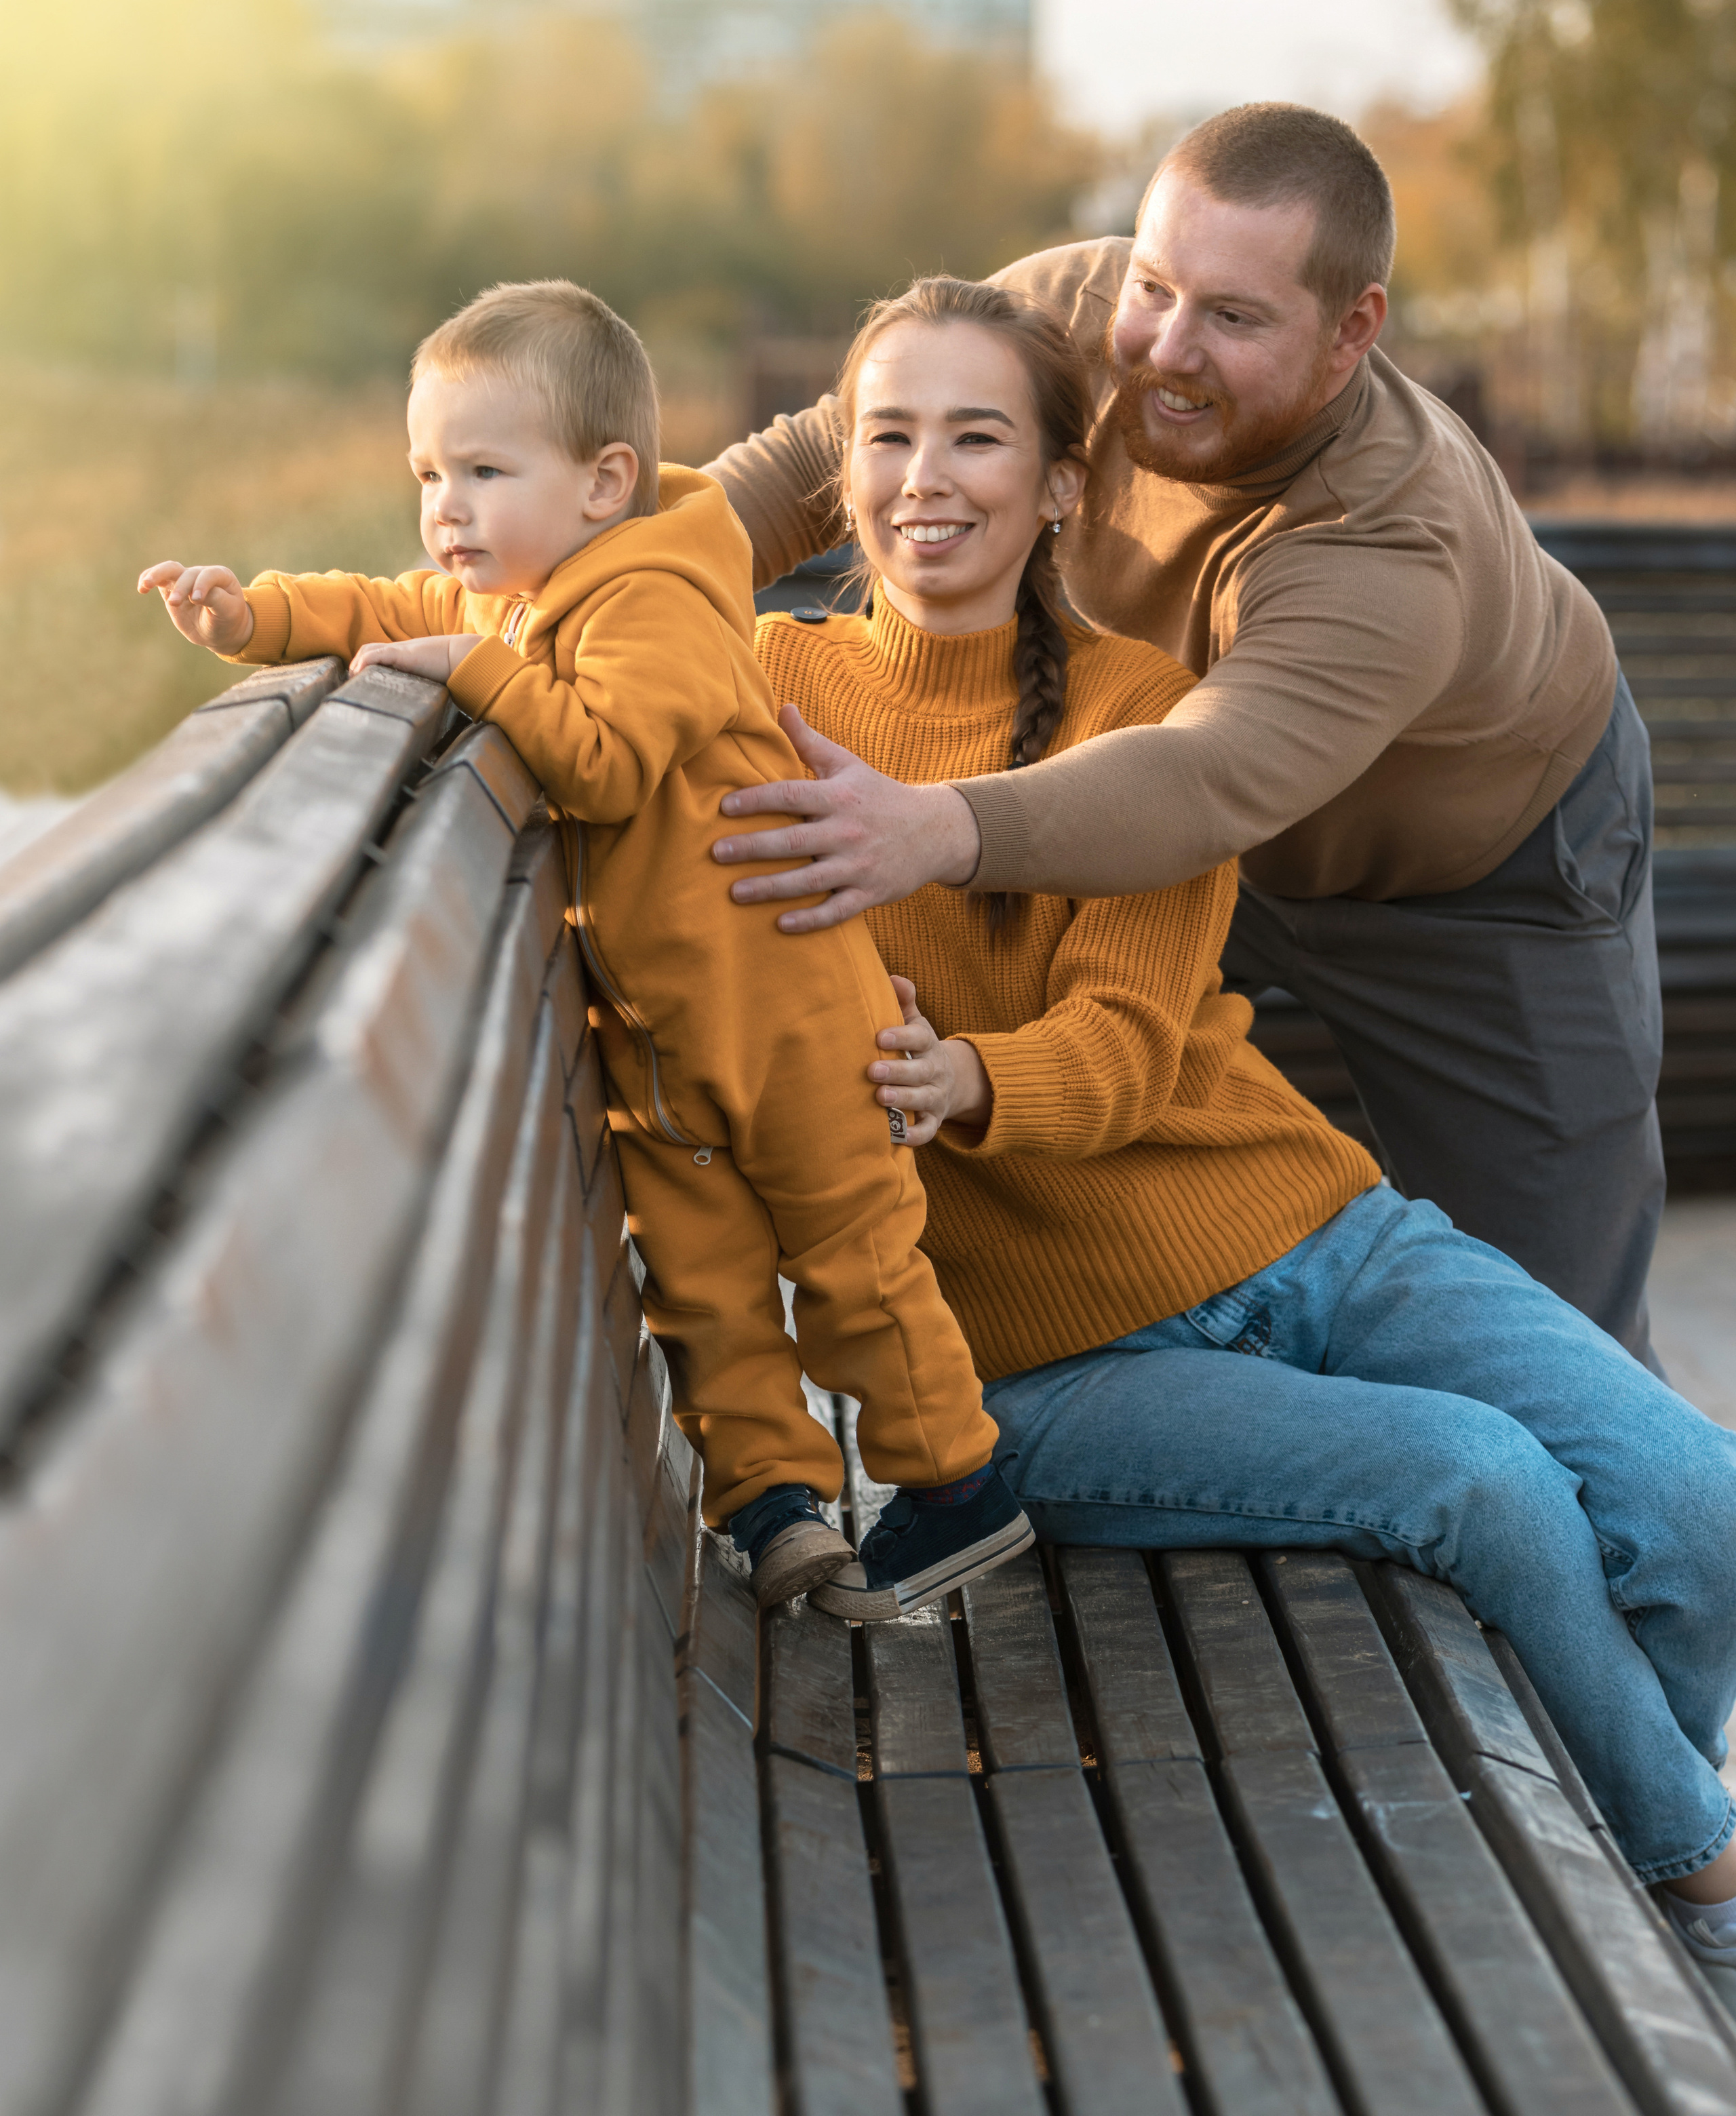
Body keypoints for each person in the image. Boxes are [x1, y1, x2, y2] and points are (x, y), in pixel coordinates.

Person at [760, 269, 1736, 1947]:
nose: (924, 478)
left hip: (1316, 1235)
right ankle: (1692, 1891)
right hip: (1048, 1368)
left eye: (976, 438)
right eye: (887, 437)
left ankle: (1608, 1846)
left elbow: (1131, 1047)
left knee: (1696, 1496)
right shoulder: (760, 693)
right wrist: (376, 620)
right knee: (1484, 1486)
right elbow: (572, 640)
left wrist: (970, 1078)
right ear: (839, 467)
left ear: (1060, 485)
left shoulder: (1145, 707)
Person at [707, 102, 1665, 1375]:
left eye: (1234, 317)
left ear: (1353, 332)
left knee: (1564, 1338)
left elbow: (1205, 774)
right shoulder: (1066, 314)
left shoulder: (1392, 534)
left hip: (1473, 879)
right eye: (1155, 285)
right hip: (1147, 821)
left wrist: (936, 824)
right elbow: (818, 460)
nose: (1164, 348)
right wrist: (568, 597)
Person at [137, 277, 1033, 1618]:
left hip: (791, 1014)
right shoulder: (520, 589)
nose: (446, 509)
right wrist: (252, 615)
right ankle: (775, 1503)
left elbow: (604, 763)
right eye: (428, 474)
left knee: (853, 1263)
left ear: (605, 481)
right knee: (704, 1287)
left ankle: (956, 1490)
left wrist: (472, 667)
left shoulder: (659, 600)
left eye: (483, 472)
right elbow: (390, 605)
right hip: (658, 1041)